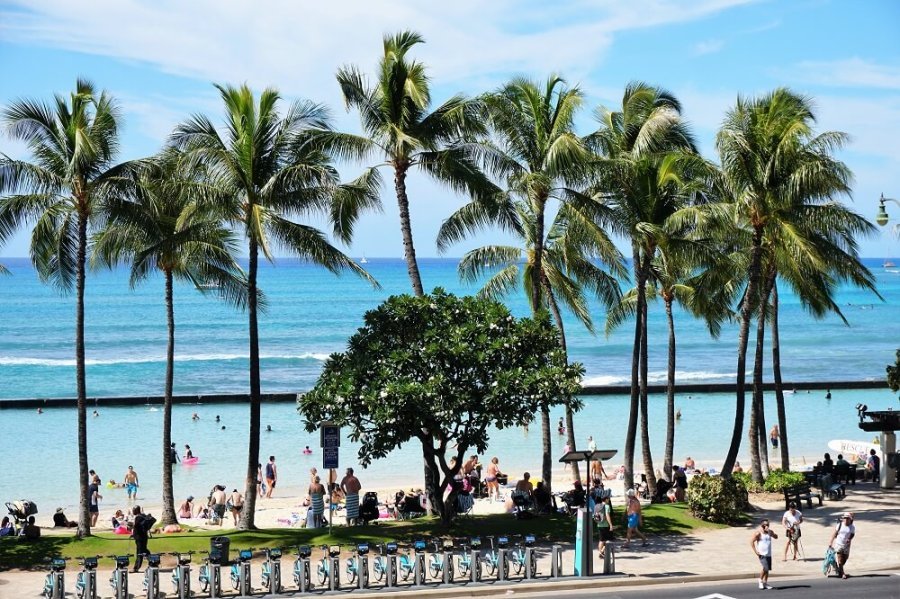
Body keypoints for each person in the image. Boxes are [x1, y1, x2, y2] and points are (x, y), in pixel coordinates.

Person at [750, 518, 778, 590]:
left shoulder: (770, 532)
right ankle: (760, 581)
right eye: (764, 525)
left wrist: (773, 534)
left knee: (767, 569)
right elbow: (751, 542)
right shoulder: (758, 533)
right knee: (765, 567)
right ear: (761, 525)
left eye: (767, 525)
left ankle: (765, 583)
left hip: (769, 553)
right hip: (762, 554)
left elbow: (776, 537)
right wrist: (756, 552)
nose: (766, 527)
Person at [829, 512, 855, 579]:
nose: (846, 519)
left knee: (845, 558)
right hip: (839, 544)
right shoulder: (839, 525)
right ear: (843, 519)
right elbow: (834, 534)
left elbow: (852, 534)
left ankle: (839, 569)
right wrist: (830, 542)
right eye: (845, 518)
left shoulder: (852, 527)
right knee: (840, 559)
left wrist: (849, 539)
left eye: (847, 518)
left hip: (847, 545)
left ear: (850, 519)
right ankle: (843, 573)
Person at [131, 506, 156, 572]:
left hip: (139, 538)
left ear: (136, 510)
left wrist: (130, 526)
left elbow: (136, 527)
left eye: (133, 510)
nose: (132, 511)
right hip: (144, 536)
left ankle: (136, 568)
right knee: (144, 550)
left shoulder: (138, 517)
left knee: (139, 552)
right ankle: (153, 561)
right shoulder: (143, 516)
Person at [594, 492, 615, 557]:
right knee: (609, 540)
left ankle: (601, 552)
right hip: (605, 525)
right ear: (605, 499)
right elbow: (607, 516)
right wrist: (611, 525)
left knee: (601, 540)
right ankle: (601, 552)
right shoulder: (606, 506)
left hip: (599, 524)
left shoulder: (597, 506)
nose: (609, 500)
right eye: (608, 499)